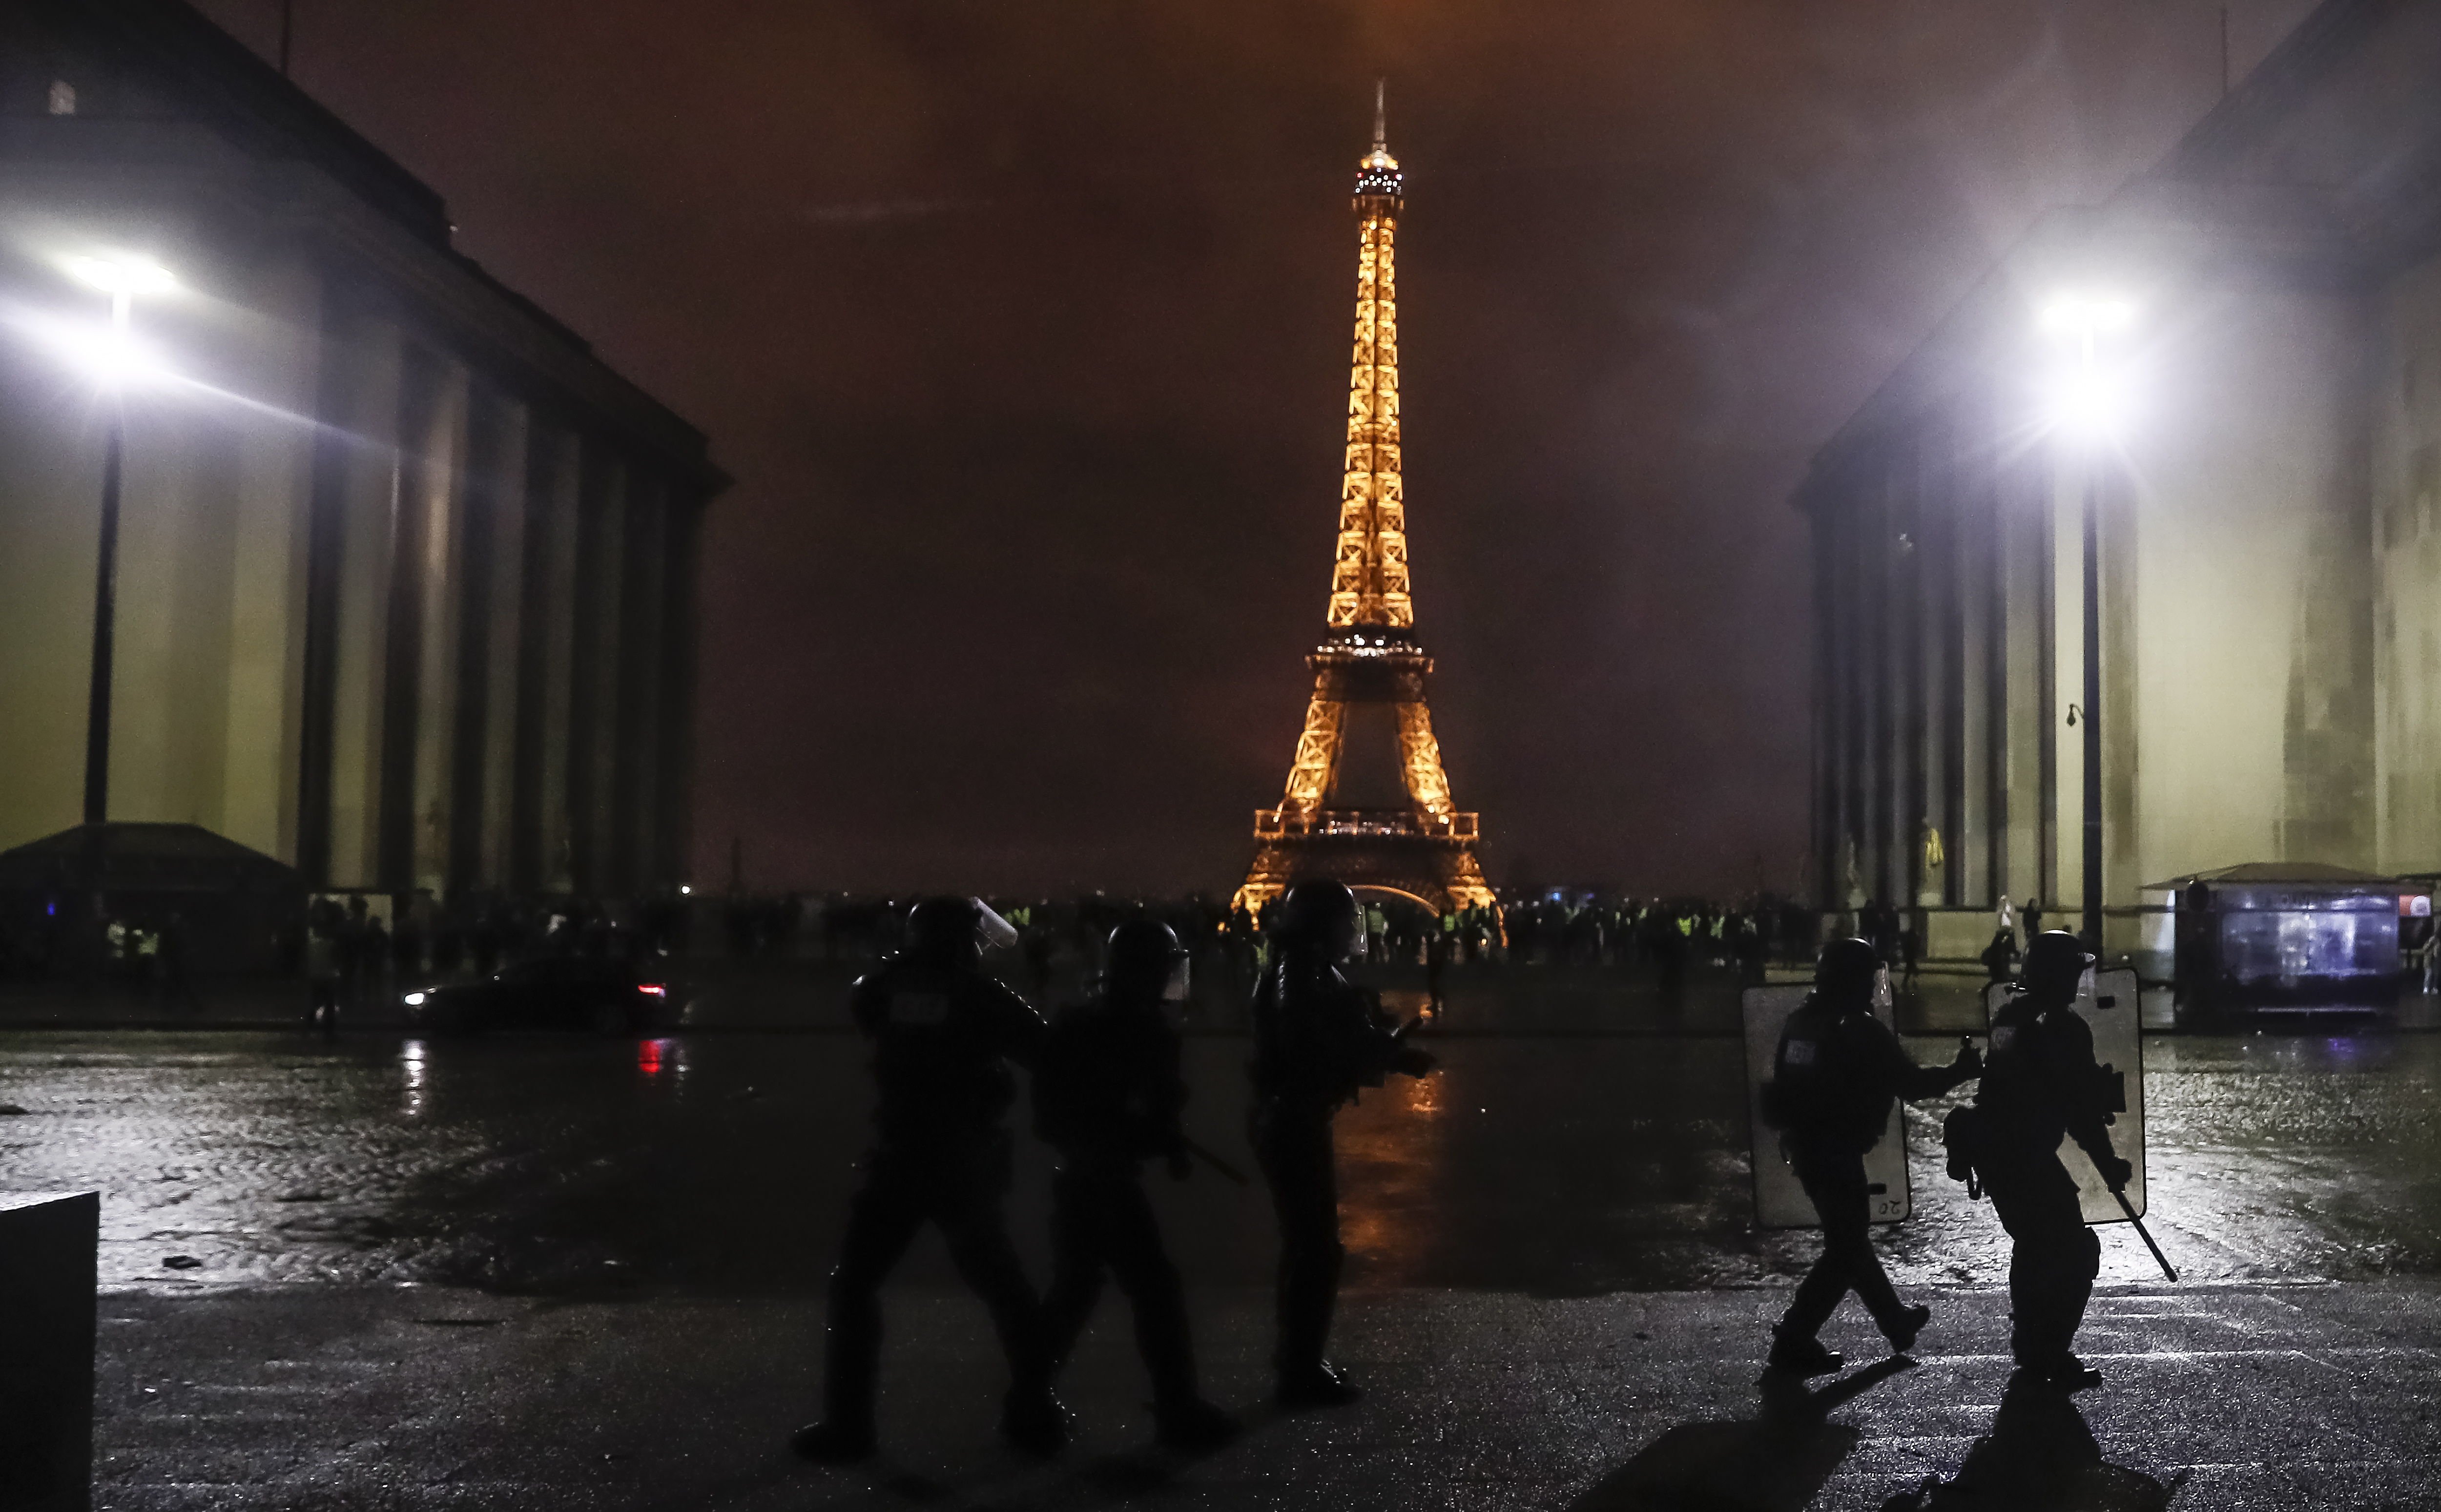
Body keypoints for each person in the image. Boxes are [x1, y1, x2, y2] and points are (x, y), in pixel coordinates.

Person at [792, 897, 1067, 1463]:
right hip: (963, 1160)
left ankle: (848, 1426)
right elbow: (1045, 1053)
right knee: (1004, 1288)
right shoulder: (980, 995)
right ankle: (1033, 1410)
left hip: (899, 1155)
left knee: (854, 1286)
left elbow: (874, 1021)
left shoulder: (881, 987)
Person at [1034, 920, 1240, 1452]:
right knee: (1155, 1292)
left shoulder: (1077, 1022)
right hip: (1107, 1177)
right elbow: (1156, 1106)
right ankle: (1176, 1409)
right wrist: (1160, 1141)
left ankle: (1025, 1402)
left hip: (1077, 1173)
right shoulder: (1149, 1031)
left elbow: (1050, 1110)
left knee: (1075, 1291)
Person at [1250, 880, 1436, 1407]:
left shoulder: (1299, 966)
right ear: (1324, 924)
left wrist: (1386, 1054)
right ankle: (1298, 1369)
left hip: (1290, 1115)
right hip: (1293, 1118)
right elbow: (1306, 1040)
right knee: (1316, 1248)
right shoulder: (1302, 972)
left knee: (1309, 1245)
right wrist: (1380, 1052)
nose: (1349, 932)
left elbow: (1317, 1036)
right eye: (1344, 922)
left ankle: (1297, 1359)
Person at [1760, 937, 1980, 1376]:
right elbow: (1913, 1084)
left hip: (1804, 1147)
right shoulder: (1860, 1029)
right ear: (1856, 981)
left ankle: (1895, 1322)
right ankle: (1793, 1338)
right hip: (1837, 1150)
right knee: (1845, 1248)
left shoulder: (1801, 1022)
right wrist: (1962, 1069)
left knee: (1851, 1241)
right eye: (1869, 979)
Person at [1965, 930, 2131, 1390]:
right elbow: (2079, 1109)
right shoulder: (2062, 1026)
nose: (2079, 978)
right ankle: (2050, 1352)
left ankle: (2031, 1345)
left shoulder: (2009, 1017)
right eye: (2075, 970)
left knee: (2035, 1247)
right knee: (2075, 1252)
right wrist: (2108, 1163)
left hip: (2000, 1154)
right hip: (2026, 1158)